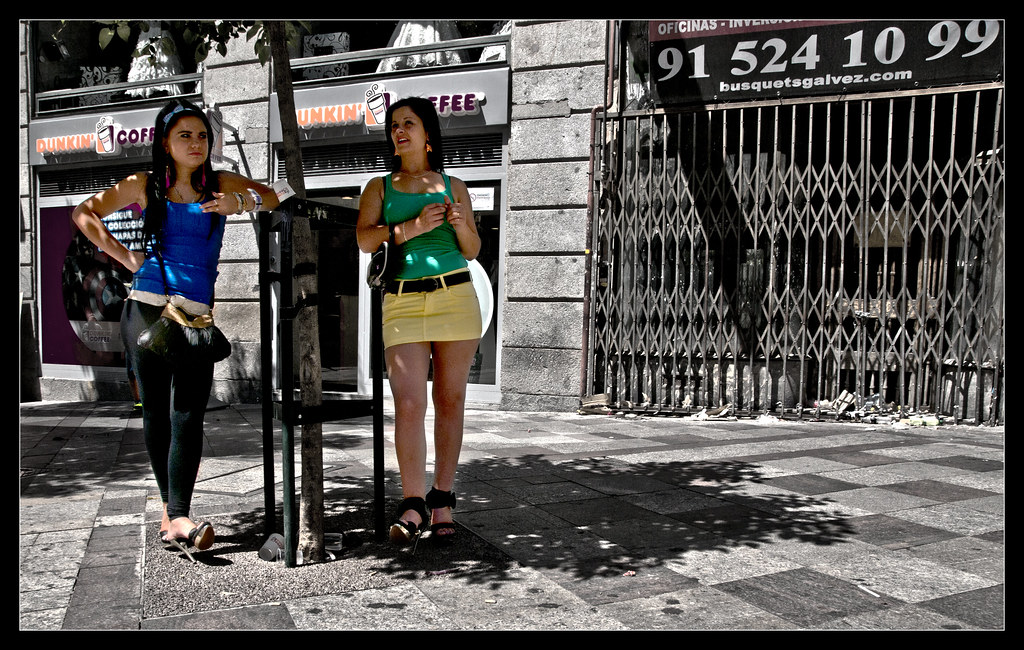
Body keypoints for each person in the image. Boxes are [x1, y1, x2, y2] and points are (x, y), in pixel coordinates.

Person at [72, 99, 279, 561]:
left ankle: (173, 518)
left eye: (202, 135)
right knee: (157, 415)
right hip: (148, 309)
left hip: (198, 315)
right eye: (185, 135)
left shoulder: (220, 184)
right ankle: (178, 515)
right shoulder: (145, 185)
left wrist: (238, 202)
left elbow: (278, 192)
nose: (196, 143)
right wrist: (127, 257)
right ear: (165, 143)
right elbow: (84, 213)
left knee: (189, 414)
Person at [356, 97, 482, 545]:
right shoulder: (380, 187)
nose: (399, 131)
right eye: (393, 125)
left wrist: (461, 222)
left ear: (428, 135)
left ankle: (442, 497)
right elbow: (365, 239)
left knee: (450, 400)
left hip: (455, 296)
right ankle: (412, 503)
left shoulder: (454, 184)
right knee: (409, 404)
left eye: (408, 123)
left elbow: (471, 248)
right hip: (403, 302)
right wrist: (408, 229)